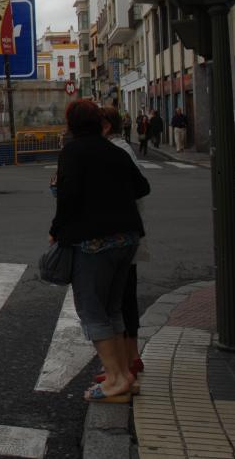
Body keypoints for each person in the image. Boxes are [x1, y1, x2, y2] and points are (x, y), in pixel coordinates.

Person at [50, 99, 149, 403]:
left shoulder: (73, 152)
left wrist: (56, 231)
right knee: (113, 308)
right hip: (128, 239)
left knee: (92, 310)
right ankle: (124, 375)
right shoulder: (115, 151)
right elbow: (142, 187)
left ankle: (116, 380)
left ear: (71, 124)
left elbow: (67, 197)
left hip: (94, 243)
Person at [100, 107, 149, 385]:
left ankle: (127, 362)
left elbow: (131, 192)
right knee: (125, 297)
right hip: (129, 235)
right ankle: (131, 357)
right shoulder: (122, 149)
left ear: (106, 126)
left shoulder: (118, 152)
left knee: (120, 300)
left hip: (122, 238)